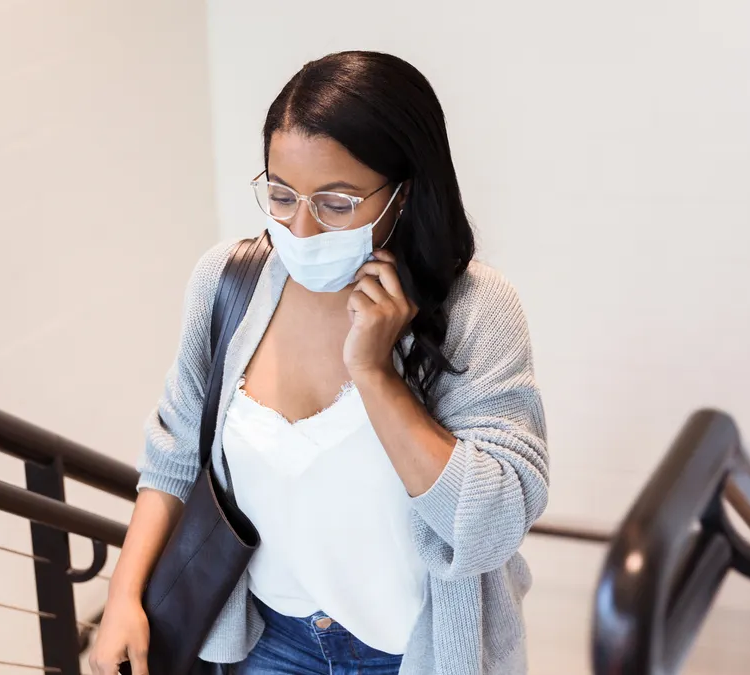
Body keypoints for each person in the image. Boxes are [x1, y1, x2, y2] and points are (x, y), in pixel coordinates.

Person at [89, 50, 549, 675]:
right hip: (271, 644)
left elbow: (489, 527)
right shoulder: (228, 282)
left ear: (404, 193)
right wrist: (122, 596)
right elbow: (171, 458)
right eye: (281, 196)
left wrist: (376, 375)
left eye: (336, 204)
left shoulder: (473, 310)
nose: (301, 230)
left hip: (415, 654)